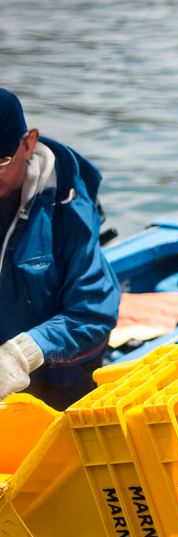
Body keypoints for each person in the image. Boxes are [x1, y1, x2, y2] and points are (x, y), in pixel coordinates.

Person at [0, 88, 119, 409]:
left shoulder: (68, 208)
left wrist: (19, 356)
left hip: (58, 384)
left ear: (28, 144)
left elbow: (93, 314)